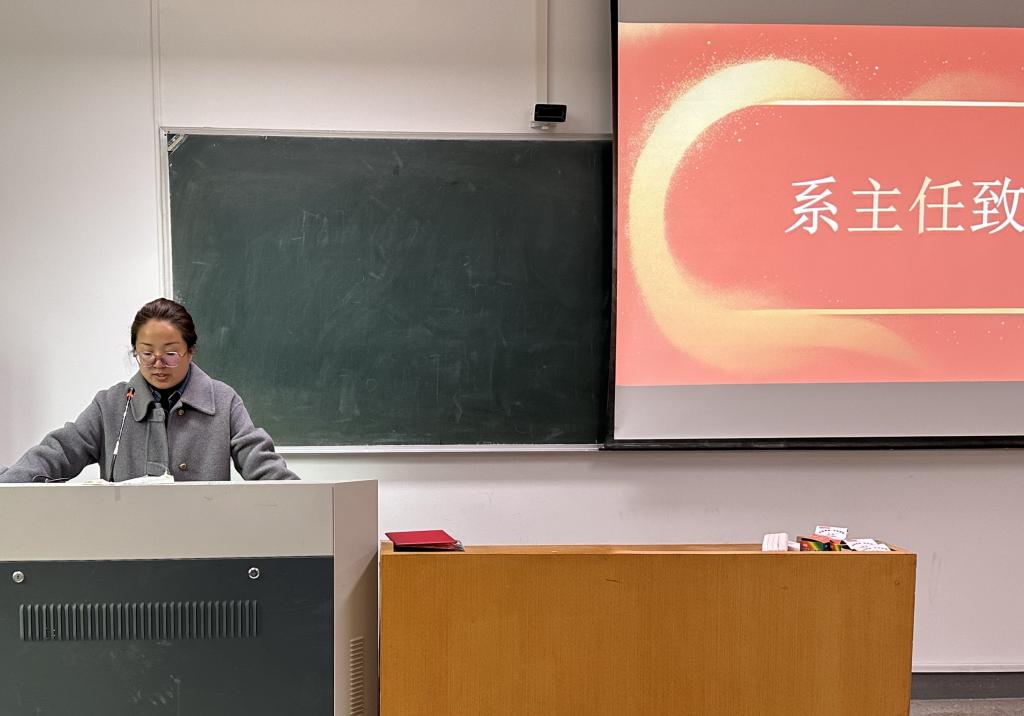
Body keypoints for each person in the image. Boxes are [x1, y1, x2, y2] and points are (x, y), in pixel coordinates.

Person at [0, 298, 299, 483]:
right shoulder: (110, 404)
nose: (158, 363)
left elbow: (259, 460)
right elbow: (60, 451)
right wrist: (9, 484)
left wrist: (303, 501)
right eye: (146, 353)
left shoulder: (223, 400)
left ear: (191, 350)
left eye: (170, 353)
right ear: (135, 352)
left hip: (205, 543)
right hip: (130, 546)